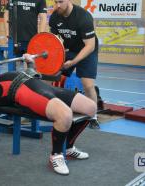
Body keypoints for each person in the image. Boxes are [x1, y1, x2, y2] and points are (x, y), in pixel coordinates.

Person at [0, 54, 97, 175]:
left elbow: (31, 74)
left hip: (42, 87)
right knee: (65, 115)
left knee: (91, 108)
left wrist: (29, 61)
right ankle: (56, 155)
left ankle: (68, 147)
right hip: (29, 94)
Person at [49, 0, 100, 129]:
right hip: (68, 49)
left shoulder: (83, 17)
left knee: (88, 85)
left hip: (87, 50)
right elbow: (54, 40)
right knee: (49, 76)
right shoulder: (55, 16)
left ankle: (93, 116)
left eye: (60, 1)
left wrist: (73, 62)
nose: (58, 5)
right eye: (55, 2)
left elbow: (90, 45)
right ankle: (46, 106)